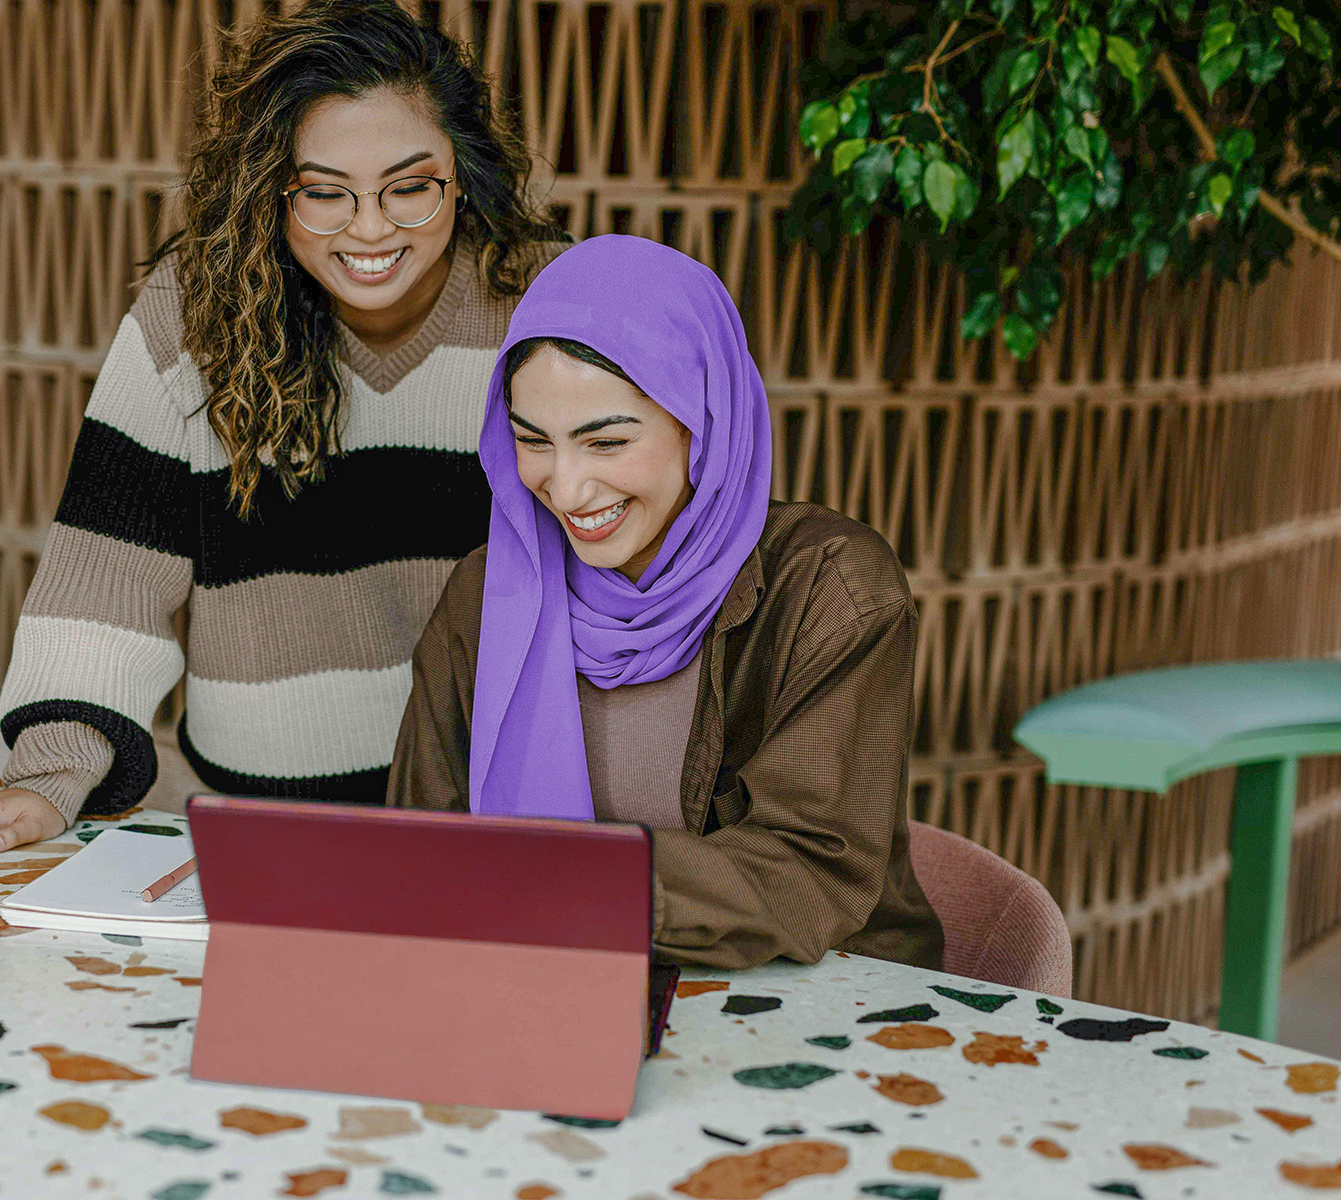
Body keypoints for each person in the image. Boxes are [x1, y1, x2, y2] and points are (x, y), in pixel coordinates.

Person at [0, 0, 564, 858]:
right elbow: (107, 576)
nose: (370, 228)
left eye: (410, 187)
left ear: (461, 173)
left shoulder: (541, 303)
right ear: (266, 187)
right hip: (257, 827)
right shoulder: (192, 314)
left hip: (495, 819)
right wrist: (52, 779)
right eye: (323, 193)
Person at [387, 235, 943, 970]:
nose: (567, 487)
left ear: (700, 421)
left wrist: (557, 879)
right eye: (534, 441)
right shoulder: (487, 596)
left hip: (817, 1006)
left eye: (607, 443)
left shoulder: (828, 590)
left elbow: (808, 870)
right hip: (549, 984)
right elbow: (418, 844)